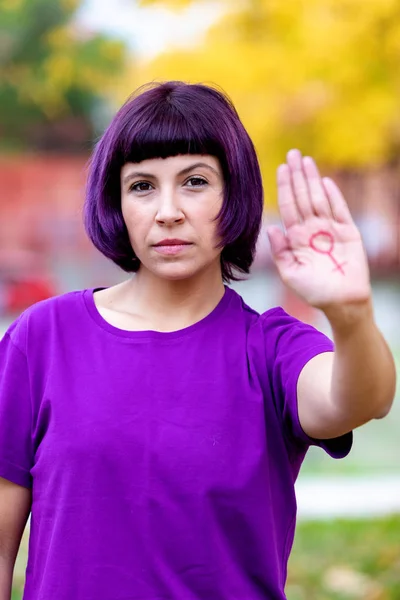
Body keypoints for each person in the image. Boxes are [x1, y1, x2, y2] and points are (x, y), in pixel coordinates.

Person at [0, 81, 396, 600]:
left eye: (194, 181)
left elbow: (361, 398)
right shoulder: (44, 337)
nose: (168, 211)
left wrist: (350, 314)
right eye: (142, 185)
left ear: (234, 194)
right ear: (117, 202)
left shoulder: (271, 349)